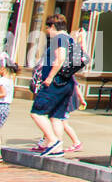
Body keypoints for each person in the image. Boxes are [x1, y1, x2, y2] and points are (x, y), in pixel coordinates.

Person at [29, 14, 77, 156]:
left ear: (53, 27)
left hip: (55, 83)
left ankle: (53, 140)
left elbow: (60, 58)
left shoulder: (59, 38)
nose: (48, 32)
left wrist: (49, 77)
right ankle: (58, 149)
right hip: (66, 83)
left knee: (37, 113)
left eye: (48, 29)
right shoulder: (70, 39)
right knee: (56, 116)